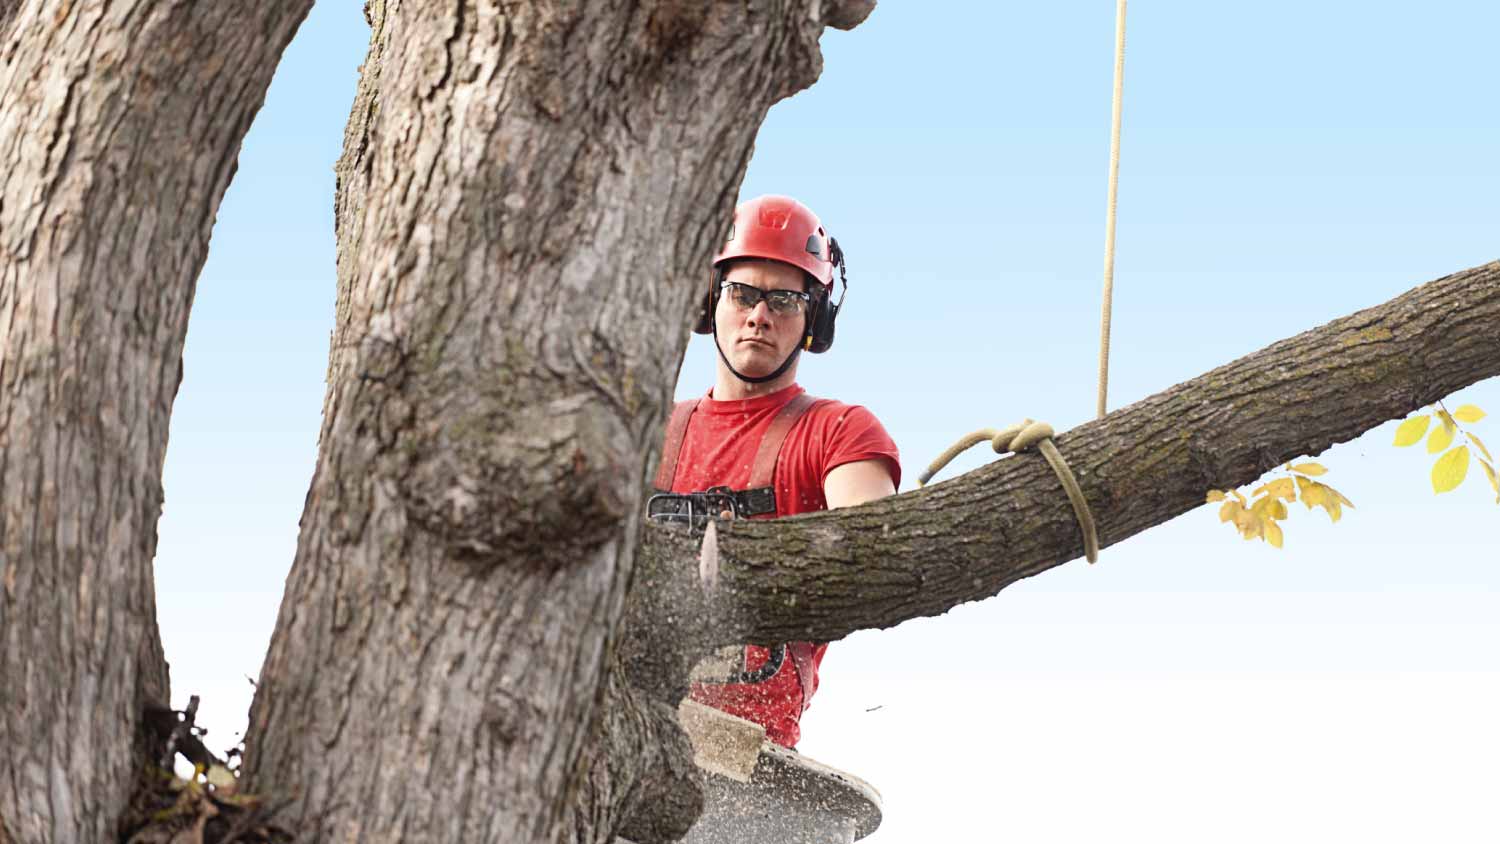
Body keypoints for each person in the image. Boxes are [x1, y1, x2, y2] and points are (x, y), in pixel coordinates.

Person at [652, 195, 900, 749]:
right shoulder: (651, 432)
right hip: (624, 730)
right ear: (709, 301)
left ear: (815, 317)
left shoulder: (840, 433)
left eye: (784, 299)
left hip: (752, 755)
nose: (759, 315)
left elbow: (876, 550)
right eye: (741, 294)